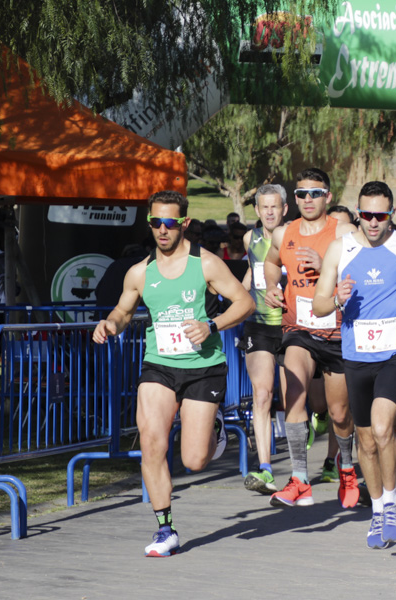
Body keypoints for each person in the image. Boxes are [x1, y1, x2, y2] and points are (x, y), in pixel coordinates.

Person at [92, 190, 255, 557]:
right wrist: (110, 324)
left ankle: (215, 430)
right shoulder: (139, 272)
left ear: (183, 224)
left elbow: (245, 303)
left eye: (169, 223)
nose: (162, 230)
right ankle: (165, 528)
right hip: (159, 365)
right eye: (155, 222)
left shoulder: (207, 264)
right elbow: (122, 310)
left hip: (203, 367)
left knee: (194, 460)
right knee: (152, 442)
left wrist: (211, 326)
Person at [312, 180, 396, 549]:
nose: (372, 222)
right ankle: (379, 510)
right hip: (355, 357)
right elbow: (319, 305)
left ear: (392, 215)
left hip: (395, 353)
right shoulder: (341, 249)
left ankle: (394, 502)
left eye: (379, 216)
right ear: (357, 213)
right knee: (364, 440)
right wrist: (336, 298)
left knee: (384, 430)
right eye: (365, 215)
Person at [263, 168, 361, 510]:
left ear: (328, 197)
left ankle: (346, 467)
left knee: (338, 414)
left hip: (336, 332)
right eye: (301, 194)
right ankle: (300, 480)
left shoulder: (345, 232)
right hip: (298, 330)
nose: (308, 200)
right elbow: (271, 262)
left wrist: (326, 265)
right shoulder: (283, 233)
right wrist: (273, 285)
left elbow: (364, 273)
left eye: (315, 193)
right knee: (295, 396)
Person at [238, 184, 289, 494]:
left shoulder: (293, 238)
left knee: (296, 397)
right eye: (264, 207)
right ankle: (266, 468)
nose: (270, 212)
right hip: (258, 325)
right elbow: (253, 271)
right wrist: (234, 295)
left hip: (290, 325)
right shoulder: (249, 238)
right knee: (262, 393)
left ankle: (301, 466)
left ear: (284, 209)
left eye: (275, 207)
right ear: (257, 211)